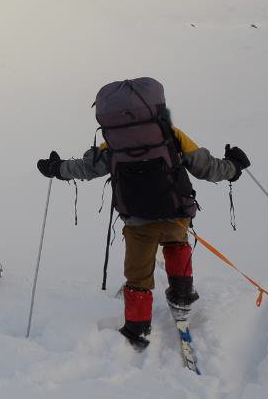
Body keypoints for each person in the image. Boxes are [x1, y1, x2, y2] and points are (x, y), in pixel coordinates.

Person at [36, 78, 250, 347]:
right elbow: (205, 167)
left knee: (137, 274)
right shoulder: (171, 135)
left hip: (136, 219)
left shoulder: (113, 143)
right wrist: (234, 166)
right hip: (176, 212)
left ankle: (137, 330)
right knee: (176, 244)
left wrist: (57, 168)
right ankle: (182, 297)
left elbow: (87, 168)